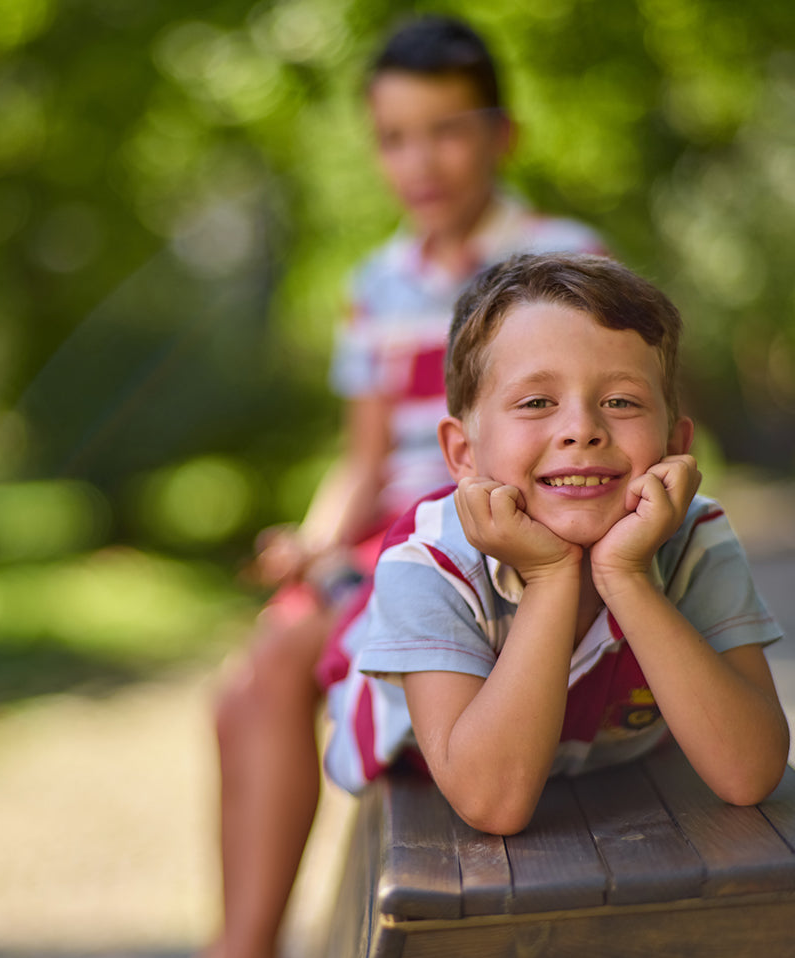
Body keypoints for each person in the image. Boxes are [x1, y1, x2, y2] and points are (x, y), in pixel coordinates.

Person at [167, 16, 604, 958]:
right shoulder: (375, 286)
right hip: (387, 532)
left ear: (503, 135)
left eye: (447, 130)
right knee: (236, 695)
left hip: (488, 527)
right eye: (396, 136)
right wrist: (316, 540)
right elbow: (363, 461)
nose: (422, 160)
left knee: (275, 672)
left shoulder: (562, 262)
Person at [321, 251, 789, 839]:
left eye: (621, 402)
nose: (582, 428)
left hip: (595, 746)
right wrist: (550, 576)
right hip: (422, 750)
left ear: (675, 444)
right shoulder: (428, 562)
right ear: (463, 454)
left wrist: (625, 576)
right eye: (537, 402)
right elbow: (492, 804)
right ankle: (337, 587)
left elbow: (749, 774)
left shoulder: (695, 537)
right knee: (342, 616)